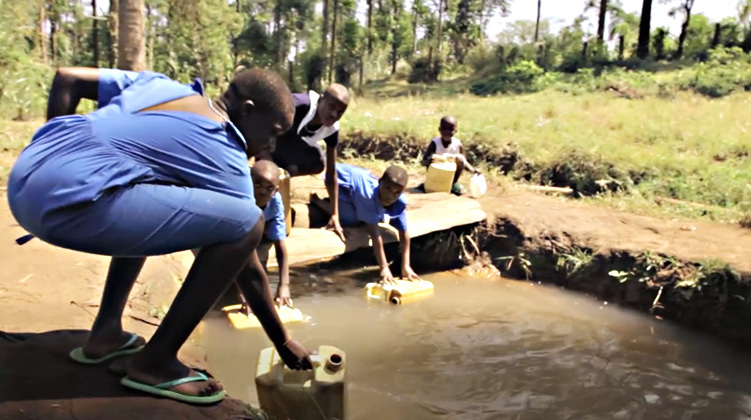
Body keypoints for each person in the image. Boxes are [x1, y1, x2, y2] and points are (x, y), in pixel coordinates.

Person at [6, 66, 312, 405]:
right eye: (273, 132)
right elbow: (249, 267)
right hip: (64, 207)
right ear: (248, 110)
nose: (272, 144)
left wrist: (54, 154)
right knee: (249, 223)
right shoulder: (225, 153)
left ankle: (105, 334)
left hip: (25, 177)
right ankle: (155, 362)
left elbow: (67, 78)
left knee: (152, 185)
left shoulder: (160, 85)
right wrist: (282, 341)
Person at [258, 84, 350, 242]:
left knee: (318, 162)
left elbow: (331, 173)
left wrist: (335, 214)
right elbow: (261, 127)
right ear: (321, 100)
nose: (334, 114)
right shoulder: (297, 105)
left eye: (340, 112)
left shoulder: (332, 128)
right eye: (331, 107)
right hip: (264, 142)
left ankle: (279, 192)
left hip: (286, 150)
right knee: (266, 179)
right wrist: (269, 167)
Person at [332, 164, 420, 284]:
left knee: (373, 217)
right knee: (352, 221)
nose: (390, 196)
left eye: (396, 193)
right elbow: (375, 234)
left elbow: (404, 233)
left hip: (359, 178)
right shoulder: (367, 195)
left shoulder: (399, 201)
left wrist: (406, 266)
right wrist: (384, 267)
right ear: (380, 182)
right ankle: (320, 203)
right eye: (387, 189)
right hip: (339, 179)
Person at [420, 115, 480, 196]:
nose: (447, 132)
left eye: (450, 129)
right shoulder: (435, 143)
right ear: (439, 130)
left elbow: (464, 162)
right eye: (444, 129)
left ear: (455, 131)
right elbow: (423, 161)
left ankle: (453, 183)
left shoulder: (457, 144)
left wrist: (473, 170)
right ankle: (430, 184)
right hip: (436, 176)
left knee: (460, 158)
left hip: (451, 176)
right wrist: (428, 161)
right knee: (432, 159)